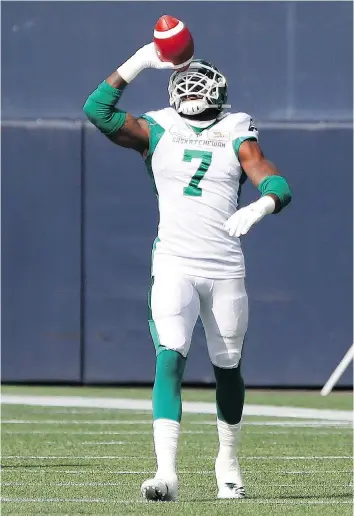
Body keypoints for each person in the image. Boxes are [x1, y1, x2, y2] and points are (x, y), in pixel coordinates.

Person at [83, 42, 292, 502]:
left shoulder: (236, 127)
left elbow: (267, 174)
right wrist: (140, 60)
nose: (195, 90)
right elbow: (97, 109)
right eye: (189, 83)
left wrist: (264, 203)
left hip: (223, 267)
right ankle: (166, 473)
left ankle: (228, 463)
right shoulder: (158, 126)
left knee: (228, 366)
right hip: (175, 262)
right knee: (170, 355)